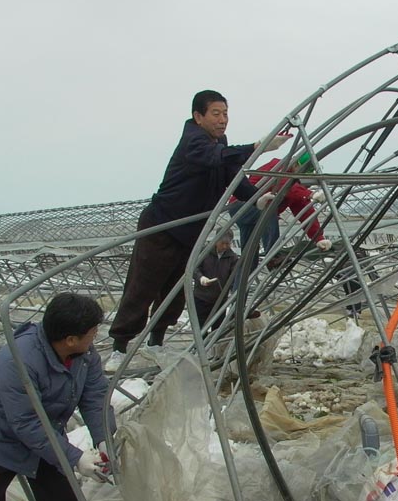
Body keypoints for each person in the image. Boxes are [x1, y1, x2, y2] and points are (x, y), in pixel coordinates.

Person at [106, 90, 289, 372]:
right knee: (144, 285)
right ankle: (119, 345)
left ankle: (156, 342)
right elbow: (216, 158)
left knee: (176, 288)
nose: (222, 120)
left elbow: (230, 176)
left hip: (191, 230)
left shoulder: (220, 144)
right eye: (216, 113)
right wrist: (258, 147)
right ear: (198, 116)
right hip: (163, 225)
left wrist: (255, 197)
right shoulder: (194, 142)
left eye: (226, 113)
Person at [0, 293, 114, 501]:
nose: (95, 336)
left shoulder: (84, 356)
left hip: (43, 440)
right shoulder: (18, 360)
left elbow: (95, 397)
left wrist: (105, 438)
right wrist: (76, 458)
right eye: (91, 333)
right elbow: (26, 422)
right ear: (69, 339)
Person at [229, 154, 332, 270]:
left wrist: (318, 237)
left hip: (254, 213)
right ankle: (273, 256)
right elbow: (283, 184)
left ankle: (238, 286)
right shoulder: (277, 167)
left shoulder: (294, 185)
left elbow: (305, 211)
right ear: (295, 164)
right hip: (242, 206)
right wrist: (310, 194)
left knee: (248, 259)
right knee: (269, 208)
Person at [193, 229, 240, 332]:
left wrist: (233, 292)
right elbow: (194, 268)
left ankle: (214, 347)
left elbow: (234, 278)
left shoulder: (232, 258)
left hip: (219, 299)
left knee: (217, 330)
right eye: (222, 243)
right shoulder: (204, 252)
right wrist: (200, 277)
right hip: (201, 297)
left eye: (227, 244)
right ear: (216, 241)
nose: (224, 247)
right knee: (200, 328)